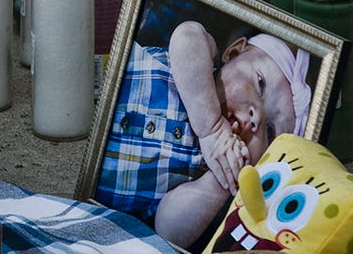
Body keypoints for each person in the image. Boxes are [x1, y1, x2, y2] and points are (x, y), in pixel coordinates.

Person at [96, 21, 311, 249]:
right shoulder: (200, 64)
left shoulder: (202, 174)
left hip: (88, 188)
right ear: (233, 52)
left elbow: (168, 233)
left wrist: (221, 182)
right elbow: (186, 36)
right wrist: (212, 129)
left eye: (270, 131)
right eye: (260, 84)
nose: (256, 117)